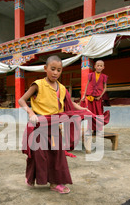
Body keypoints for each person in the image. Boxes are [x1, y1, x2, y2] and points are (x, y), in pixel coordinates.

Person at [18, 55, 92, 194]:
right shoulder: (38, 84)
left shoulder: (62, 88)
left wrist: (82, 109)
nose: (55, 73)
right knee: (38, 155)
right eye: (52, 69)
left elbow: (70, 104)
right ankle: (31, 178)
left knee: (56, 155)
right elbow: (21, 100)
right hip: (38, 125)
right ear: (45, 69)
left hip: (54, 125)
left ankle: (55, 183)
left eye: (59, 70)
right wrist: (30, 113)